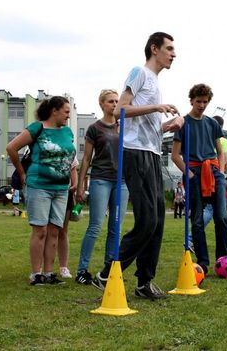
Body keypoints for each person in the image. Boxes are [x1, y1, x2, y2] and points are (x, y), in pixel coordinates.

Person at [92, 32, 184, 300]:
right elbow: (120, 109)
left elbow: (146, 126)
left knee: (158, 219)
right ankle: (107, 274)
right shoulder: (139, 72)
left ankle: (145, 282)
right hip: (135, 153)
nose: (174, 54)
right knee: (147, 220)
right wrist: (157, 107)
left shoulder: (155, 81)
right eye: (169, 48)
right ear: (154, 49)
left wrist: (168, 126)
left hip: (152, 153)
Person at [7, 96, 76, 286]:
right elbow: (11, 148)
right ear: (54, 111)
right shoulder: (37, 128)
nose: (68, 116)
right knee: (40, 230)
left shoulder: (67, 132)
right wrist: (22, 173)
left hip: (61, 189)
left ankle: (48, 273)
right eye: (66, 112)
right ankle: (36, 274)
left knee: (54, 231)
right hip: (39, 186)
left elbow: (70, 159)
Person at [171, 84, 227, 275]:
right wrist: (189, 174)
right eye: (198, 101)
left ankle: (222, 259)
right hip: (193, 172)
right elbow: (175, 155)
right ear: (191, 101)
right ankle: (203, 262)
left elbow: (220, 151)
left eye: (205, 102)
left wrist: (221, 172)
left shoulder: (212, 124)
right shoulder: (183, 123)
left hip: (214, 172)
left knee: (221, 217)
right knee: (196, 220)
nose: (202, 105)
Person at [75, 89, 129, 285]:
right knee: (95, 226)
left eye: (116, 101)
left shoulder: (124, 127)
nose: (114, 104)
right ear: (102, 104)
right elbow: (86, 159)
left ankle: (108, 269)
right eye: (110, 101)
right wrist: (81, 186)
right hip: (100, 179)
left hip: (122, 181)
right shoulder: (94, 128)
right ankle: (82, 270)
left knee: (116, 228)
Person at [57, 157, 78, 279]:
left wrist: (74, 184)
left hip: (65, 192)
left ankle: (63, 267)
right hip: (46, 189)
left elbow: (73, 167)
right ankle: (41, 268)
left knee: (63, 231)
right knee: (45, 231)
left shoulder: (69, 148)